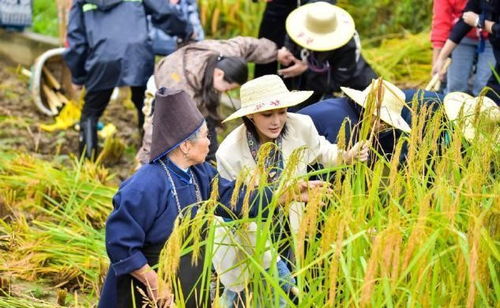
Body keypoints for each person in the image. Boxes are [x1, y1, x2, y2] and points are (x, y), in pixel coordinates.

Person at [98, 88, 321, 308]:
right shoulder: (143, 187)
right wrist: (154, 283)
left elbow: (237, 199)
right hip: (145, 289)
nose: (210, 143)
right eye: (205, 137)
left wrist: (286, 195)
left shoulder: (201, 173)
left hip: (190, 276)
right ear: (185, 146)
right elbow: (120, 245)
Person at [214, 75, 369, 307]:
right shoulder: (229, 154)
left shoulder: (300, 124)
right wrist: (275, 268)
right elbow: (238, 213)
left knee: (288, 284)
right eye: (267, 115)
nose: (277, 121)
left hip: (288, 223)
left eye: (282, 112)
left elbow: (319, 151)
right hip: (248, 234)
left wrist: (346, 156)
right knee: (254, 292)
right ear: (250, 115)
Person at [64, 0, 193, 160]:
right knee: (146, 106)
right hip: (137, 54)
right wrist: (186, 30)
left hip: (102, 56)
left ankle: (88, 163)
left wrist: (78, 76)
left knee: (91, 112)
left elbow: (76, 38)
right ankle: (149, 156)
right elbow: (164, 12)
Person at [136, 36, 292, 165]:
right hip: (164, 84)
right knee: (182, 132)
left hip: (201, 87)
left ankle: (210, 162)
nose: (227, 92)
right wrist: (146, 161)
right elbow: (158, 124)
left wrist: (276, 53)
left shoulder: (226, 54)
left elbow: (248, 45)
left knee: (205, 130)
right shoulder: (180, 90)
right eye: (227, 88)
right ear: (218, 74)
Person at [276, 1, 377, 108]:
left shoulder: (347, 46)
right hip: (310, 82)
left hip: (348, 86)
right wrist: (287, 50)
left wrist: (306, 70)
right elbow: (292, 36)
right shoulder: (308, 16)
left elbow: (337, 82)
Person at [433, 0, 500, 105]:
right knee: (455, 86)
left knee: (484, 87)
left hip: (492, 38)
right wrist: (441, 58)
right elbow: (462, 20)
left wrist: (479, 21)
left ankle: (482, 115)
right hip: (464, 38)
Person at [252, 0, 336, 78]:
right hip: (277, 7)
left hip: (311, 10)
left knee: (295, 62)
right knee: (266, 53)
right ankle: (262, 90)